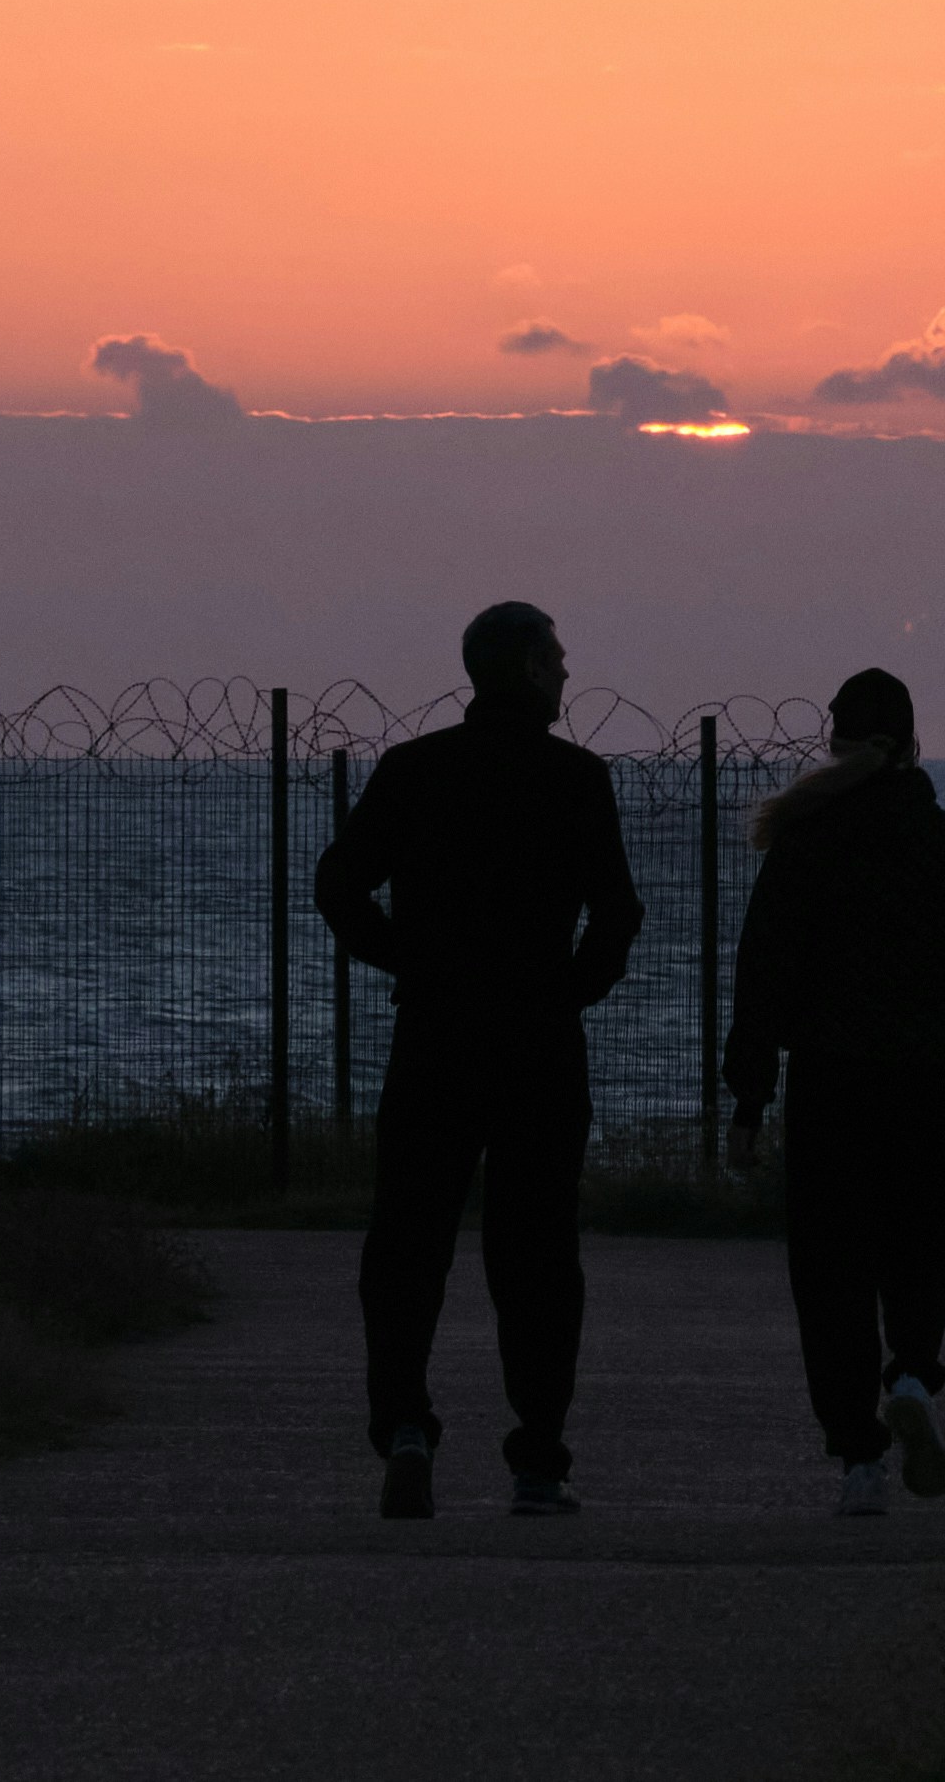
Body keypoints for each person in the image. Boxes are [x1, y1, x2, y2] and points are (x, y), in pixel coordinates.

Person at [313, 599, 643, 1518]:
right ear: (534, 671)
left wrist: (403, 956)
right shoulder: (576, 778)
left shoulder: (415, 770)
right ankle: (537, 1455)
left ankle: (406, 1424)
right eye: (560, 659)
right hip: (537, 1042)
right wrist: (571, 989)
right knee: (537, 1255)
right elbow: (619, 910)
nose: (570, 673)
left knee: (408, 1242)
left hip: (436, 1034)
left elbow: (337, 882)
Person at [720, 664, 945, 1516]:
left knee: (832, 1273)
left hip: (832, 1088)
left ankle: (859, 1457)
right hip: (928, 1085)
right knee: (922, 1252)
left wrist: (749, 1097)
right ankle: (915, 1375)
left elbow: (763, 978)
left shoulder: (804, 843)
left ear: (835, 742)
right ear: (913, 744)